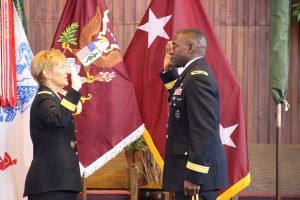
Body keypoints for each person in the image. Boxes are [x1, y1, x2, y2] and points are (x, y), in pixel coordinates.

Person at [160, 29, 229, 200]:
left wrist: (194, 175)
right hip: (188, 172)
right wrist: (168, 71)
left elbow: (203, 130)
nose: (170, 51)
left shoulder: (198, 77)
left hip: (196, 179)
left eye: (175, 46)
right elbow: (179, 99)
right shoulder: (191, 74)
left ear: (190, 48)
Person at [24, 49, 83, 200]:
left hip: (59, 181)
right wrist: (74, 90)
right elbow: (59, 119)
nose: (66, 72)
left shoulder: (53, 99)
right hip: (51, 183)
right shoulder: (44, 99)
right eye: (62, 67)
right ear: (47, 73)